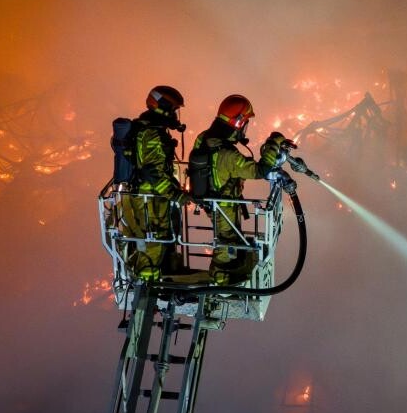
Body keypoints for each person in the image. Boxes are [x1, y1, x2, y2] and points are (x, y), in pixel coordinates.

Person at [188, 94, 292, 284]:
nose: (245, 129)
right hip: (224, 205)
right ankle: (221, 280)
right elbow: (260, 170)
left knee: (231, 239)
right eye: (245, 124)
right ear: (237, 123)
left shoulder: (204, 138)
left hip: (211, 200)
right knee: (227, 241)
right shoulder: (227, 154)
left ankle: (226, 276)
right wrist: (273, 146)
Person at [120, 85, 191, 282]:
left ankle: (158, 278)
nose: (175, 115)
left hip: (149, 198)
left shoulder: (146, 128)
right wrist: (176, 195)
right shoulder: (152, 135)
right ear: (163, 107)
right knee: (154, 242)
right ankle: (148, 283)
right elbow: (154, 175)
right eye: (174, 110)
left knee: (159, 239)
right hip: (150, 200)